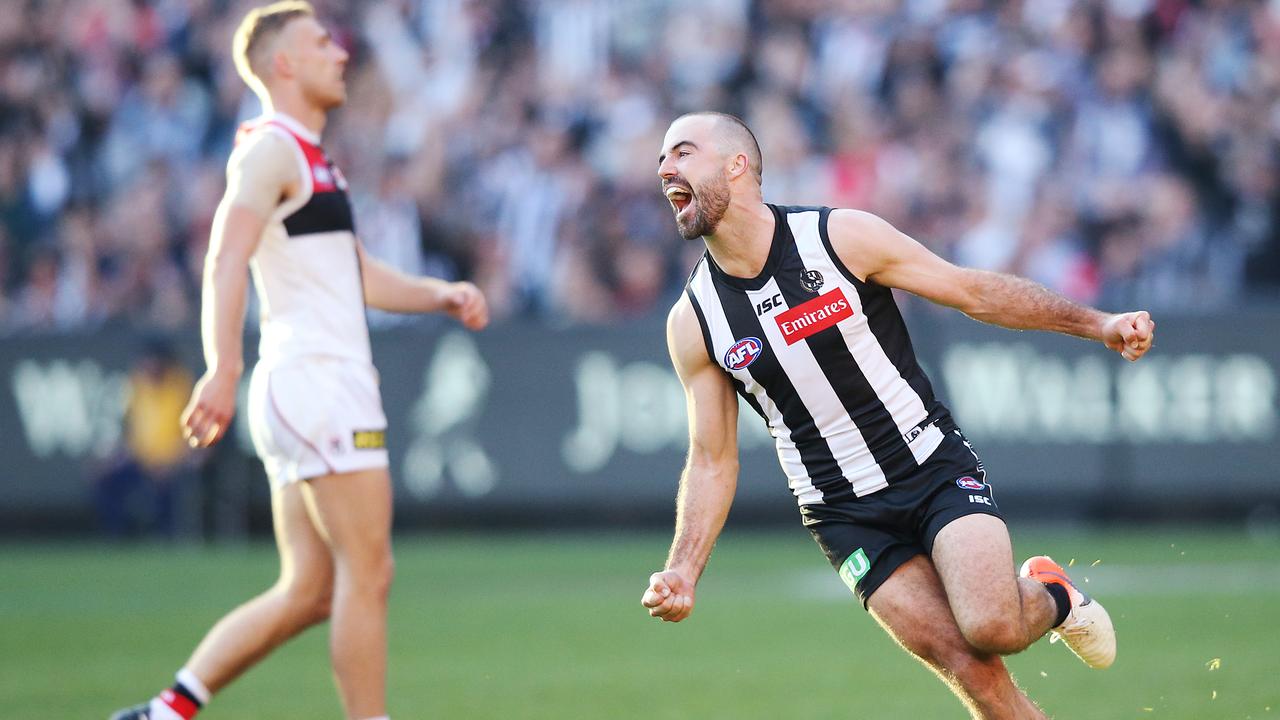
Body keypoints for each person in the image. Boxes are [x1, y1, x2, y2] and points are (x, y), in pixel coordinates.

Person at [640, 112, 1154, 719]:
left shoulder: (840, 238)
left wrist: (1098, 324)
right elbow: (711, 457)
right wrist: (684, 568)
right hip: (843, 513)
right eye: (662, 160)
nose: (665, 168)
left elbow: (971, 291)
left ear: (736, 166)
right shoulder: (694, 319)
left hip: (930, 466)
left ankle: (1053, 594)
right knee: (974, 673)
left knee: (990, 626)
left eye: (683, 152)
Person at [110, 3, 488, 720]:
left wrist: (440, 293)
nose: (339, 52)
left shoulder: (307, 155)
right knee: (368, 572)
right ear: (283, 63)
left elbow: (359, 273)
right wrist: (221, 365)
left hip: (308, 386)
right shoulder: (272, 149)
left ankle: (165, 711)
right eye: (320, 43)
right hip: (318, 381)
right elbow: (225, 253)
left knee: (311, 589)